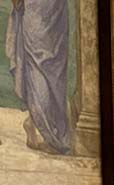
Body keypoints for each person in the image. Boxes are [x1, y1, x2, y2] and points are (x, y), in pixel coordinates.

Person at [5, 0, 72, 154]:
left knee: (53, 64)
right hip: (36, 6)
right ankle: (42, 128)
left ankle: (38, 124)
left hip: (54, 6)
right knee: (39, 63)